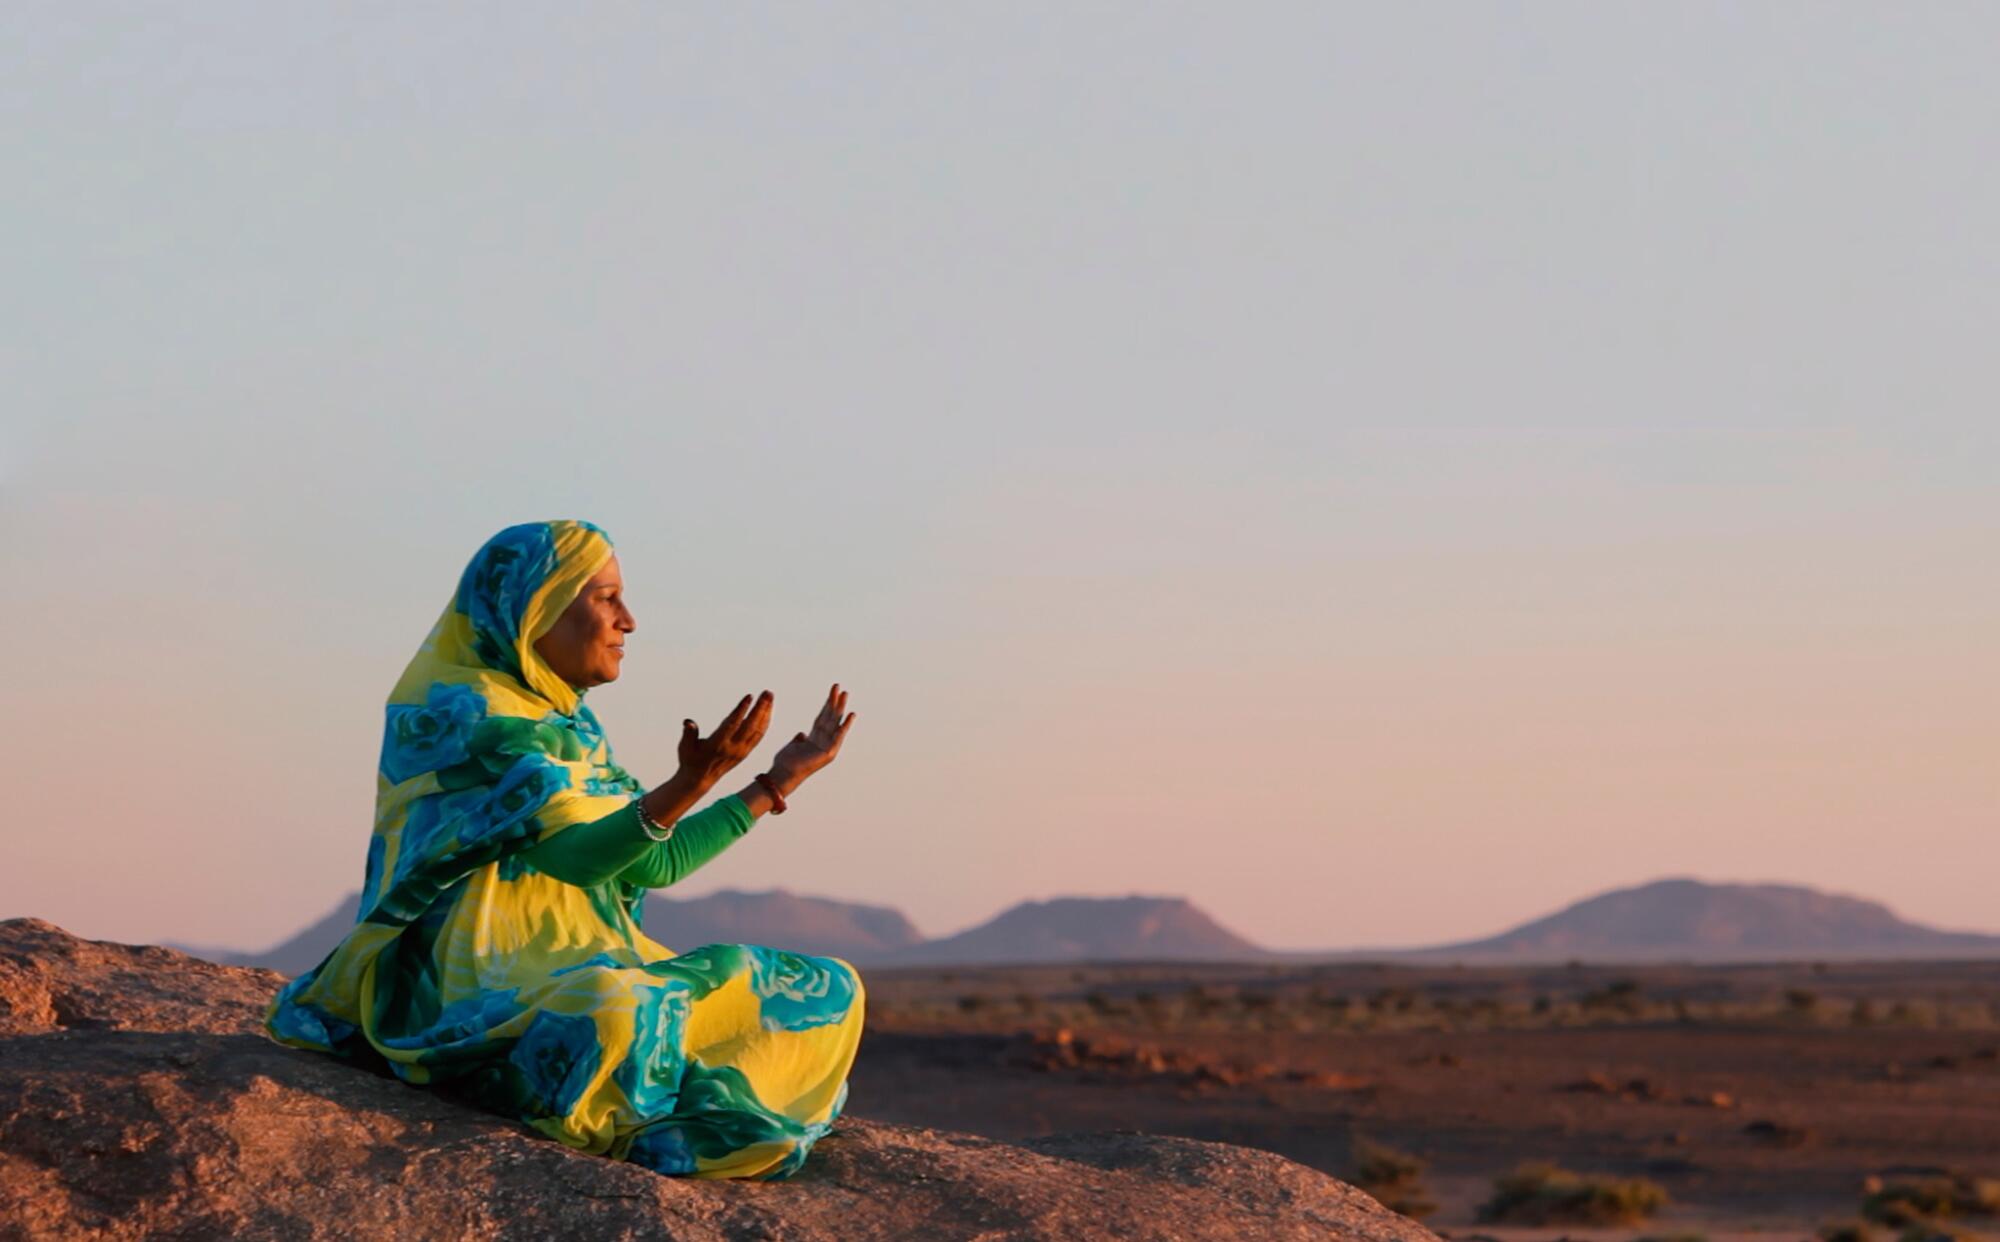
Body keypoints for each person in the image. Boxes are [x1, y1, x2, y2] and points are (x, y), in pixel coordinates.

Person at [264, 519, 864, 1180]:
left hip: (580, 961)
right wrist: (690, 782)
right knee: (615, 1010)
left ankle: (642, 1085)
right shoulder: (462, 714)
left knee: (829, 988)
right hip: (469, 982)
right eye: (605, 597)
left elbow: (655, 862)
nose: (628, 621)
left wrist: (777, 780)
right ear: (536, 605)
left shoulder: (570, 728)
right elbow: (576, 858)